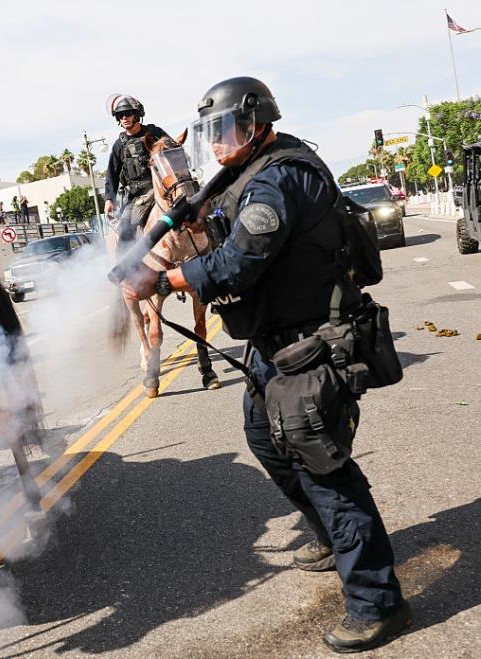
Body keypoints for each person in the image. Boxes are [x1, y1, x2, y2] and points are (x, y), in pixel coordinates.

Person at [123, 77, 410, 653]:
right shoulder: (244, 174)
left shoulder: (282, 176)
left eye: (225, 131)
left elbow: (238, 263)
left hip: (311, 343)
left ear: (255, 124)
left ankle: (379, 601)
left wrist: (163, 277)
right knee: (263, 438)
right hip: (273, 343)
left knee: (325, 472)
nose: (218, 145)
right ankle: (332, 537)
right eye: (210, 135)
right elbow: (211, 229)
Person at [103, 94, 168, 252]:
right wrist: (109, 199)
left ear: (137, 114)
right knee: (125, 233)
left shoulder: (155, 133)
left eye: (127, 113)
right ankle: (125, 272)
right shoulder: (119, 145)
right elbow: (111, 174)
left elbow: (173, 151)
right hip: (137, 198)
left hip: (164, 188)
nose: (124, 118)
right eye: (120, 115)